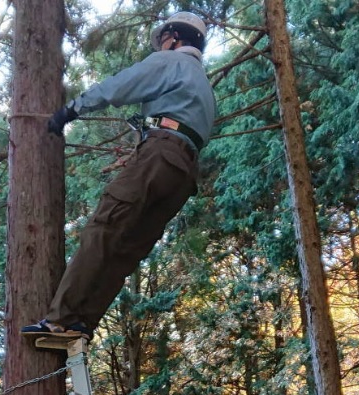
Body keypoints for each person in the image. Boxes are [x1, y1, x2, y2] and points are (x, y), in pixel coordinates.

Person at [22, 11, 216, 342]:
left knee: (104, 228)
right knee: (125, 249)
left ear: (174, 38)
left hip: (159, 153)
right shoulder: (204, 87)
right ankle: (81, 322)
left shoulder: (169, 62)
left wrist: (72, 109)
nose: (161, 46)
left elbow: (120, 86)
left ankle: (61, 319)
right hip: (183, 175)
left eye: (163, 40)